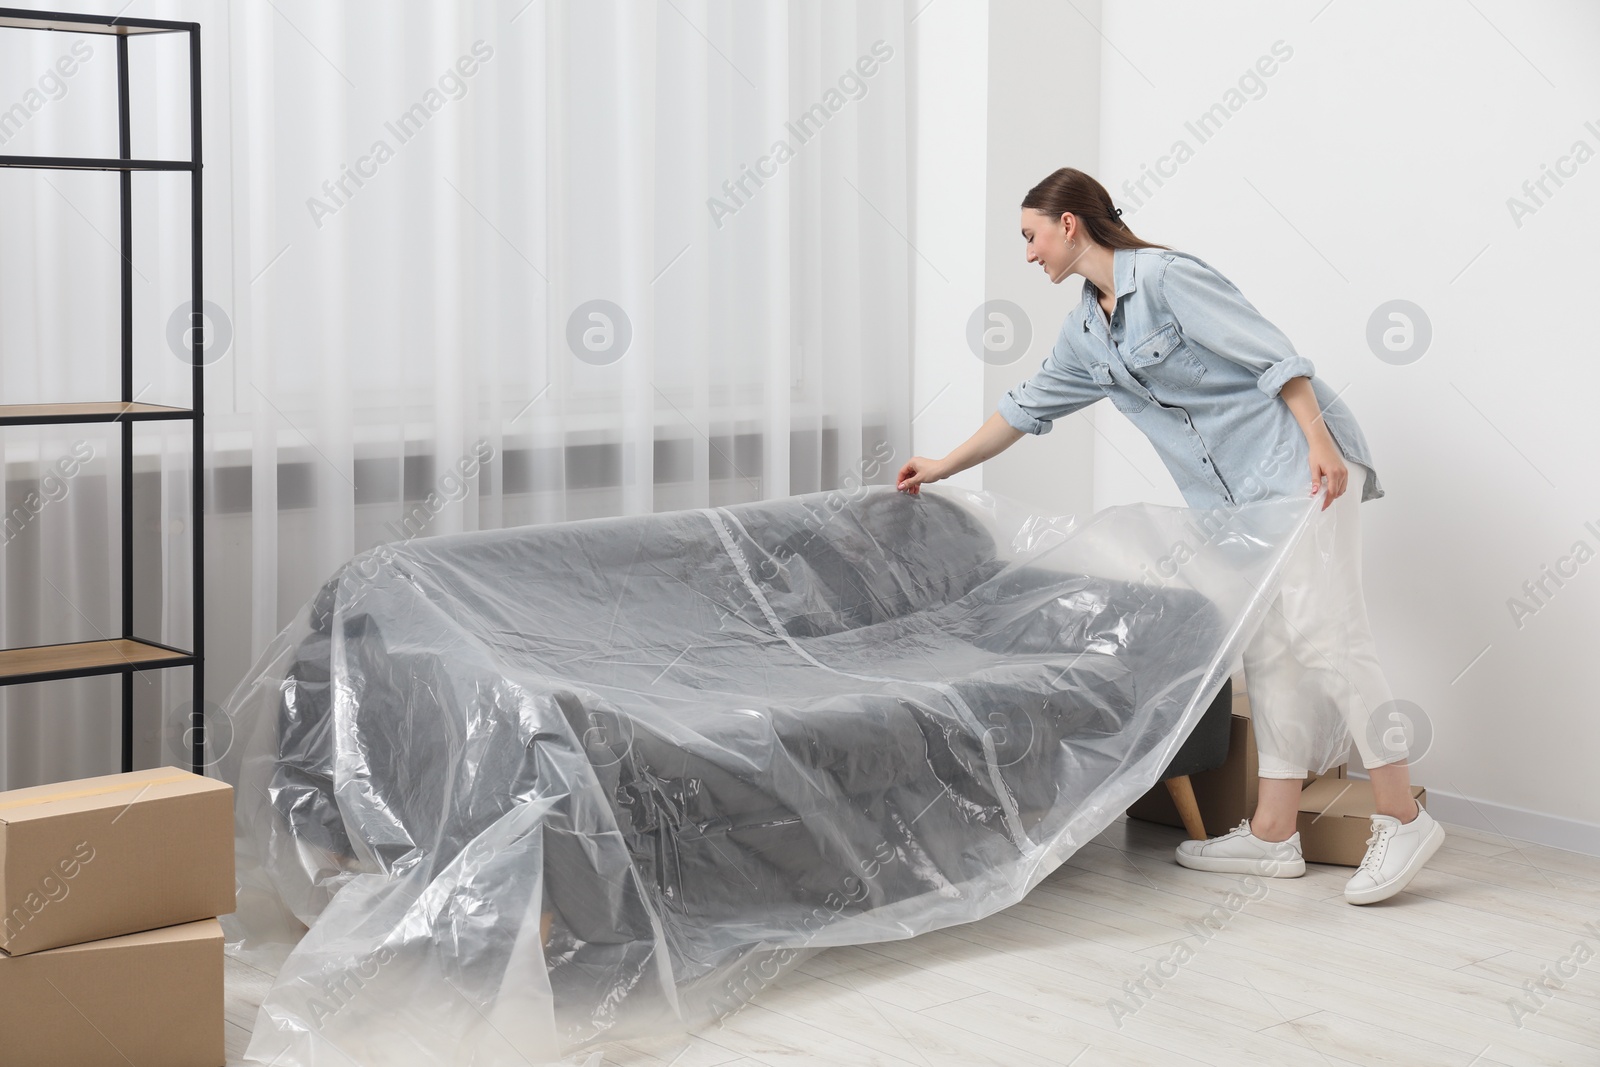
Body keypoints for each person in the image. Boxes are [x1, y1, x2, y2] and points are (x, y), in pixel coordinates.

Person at [894, 167, 1444, 905]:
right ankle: (1274, 830)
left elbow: (1272, 352)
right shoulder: (1086, 330)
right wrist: (942, 463)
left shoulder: (1167, 278)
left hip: (1300, 465)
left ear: (1069, 225)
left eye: (1030, 236)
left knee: (1328, 633)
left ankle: (1401, 814)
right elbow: (1025, 407)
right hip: (1232, 503)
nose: (1027, 254)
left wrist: (1319, 441)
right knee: (1270, 645)